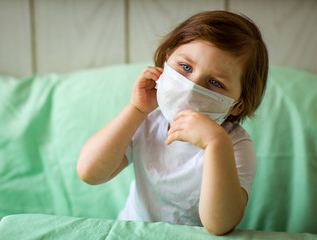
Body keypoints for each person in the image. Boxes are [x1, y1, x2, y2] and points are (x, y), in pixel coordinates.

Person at [77, 10, 268, 236]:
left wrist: (216, 143)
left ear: (237, 105)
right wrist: (136, 109)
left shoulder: (234, 143)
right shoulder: (146, 123)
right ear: (166, 61)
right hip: (133, 232)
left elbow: (220, 224)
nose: (191, 87)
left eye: (215, 82)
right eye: (185, 67)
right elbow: (89, 172)